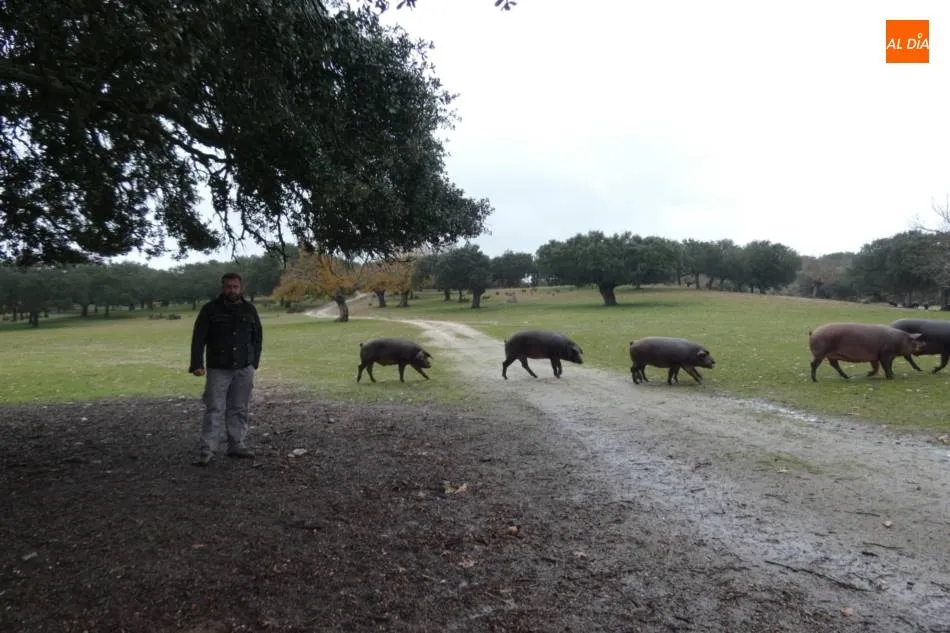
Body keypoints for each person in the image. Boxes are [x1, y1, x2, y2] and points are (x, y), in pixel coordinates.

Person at [188, 272, 263, 466]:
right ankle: (207, 450)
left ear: (241, 287)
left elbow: (257, 337)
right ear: (222, 287)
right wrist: (197, 364)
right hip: (218, 367)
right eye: (228, 286)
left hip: (244, 367)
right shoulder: (210, 310)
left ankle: (236, 444)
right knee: (214, 408)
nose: (232, 290)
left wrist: (254, 362)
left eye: (235, 286)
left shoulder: (249, 309)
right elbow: (199, 338)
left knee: (239, 407)